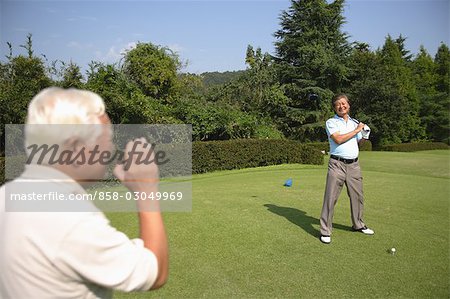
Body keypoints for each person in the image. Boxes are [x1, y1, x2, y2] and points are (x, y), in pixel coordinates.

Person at [0, 87, 168, 298]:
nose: (110, 149)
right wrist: (147, 189)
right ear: (76, 147)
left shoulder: (6, 195)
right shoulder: (70, 218)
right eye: (106, 139)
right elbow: (156, 272)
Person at [319, 93, 374, 244]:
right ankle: (325, 230)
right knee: (331, 197)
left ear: (349, 105)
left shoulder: (353, 123)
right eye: (338, 104)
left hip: (354, 165)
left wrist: (364, 135)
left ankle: (358, 224)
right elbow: (338, 139)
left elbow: (358, 143)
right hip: (337, 164)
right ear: (334, 108)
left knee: (357, 196)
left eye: (344, 103)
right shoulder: (331, 122)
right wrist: (357, 130)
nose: (341, 106)